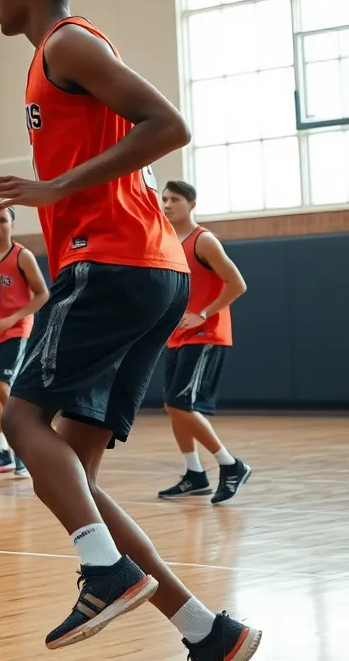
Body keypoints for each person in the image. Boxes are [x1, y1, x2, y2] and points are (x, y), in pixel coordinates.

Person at [0, 0, 261, 659]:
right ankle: (208, 631)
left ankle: (104, 570)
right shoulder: (48, 58)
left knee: (19, 423)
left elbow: (169, 125)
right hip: (147, 270)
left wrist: (53, 188)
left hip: (112, 263)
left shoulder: (69, 42)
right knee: (72, 475)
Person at [158, 180, 251, 504]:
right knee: (174, 407)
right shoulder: (166, 241)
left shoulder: (204, 240)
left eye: (175, 199)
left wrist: (204, 313)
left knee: (180, 404)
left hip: (206, 332)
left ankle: (231, 464)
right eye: (165, 199)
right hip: (177, 334)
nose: (167, 204)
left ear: (191, 205)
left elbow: (237, 284)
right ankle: (194, 474)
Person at [0, 207, 48, 478]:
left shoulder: (22, 256)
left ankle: (23, 450)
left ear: (12, 225)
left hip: (15, 331)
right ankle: (0, 452)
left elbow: (42, 294)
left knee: (3, 387)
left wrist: (13, 317)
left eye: (3, 219)